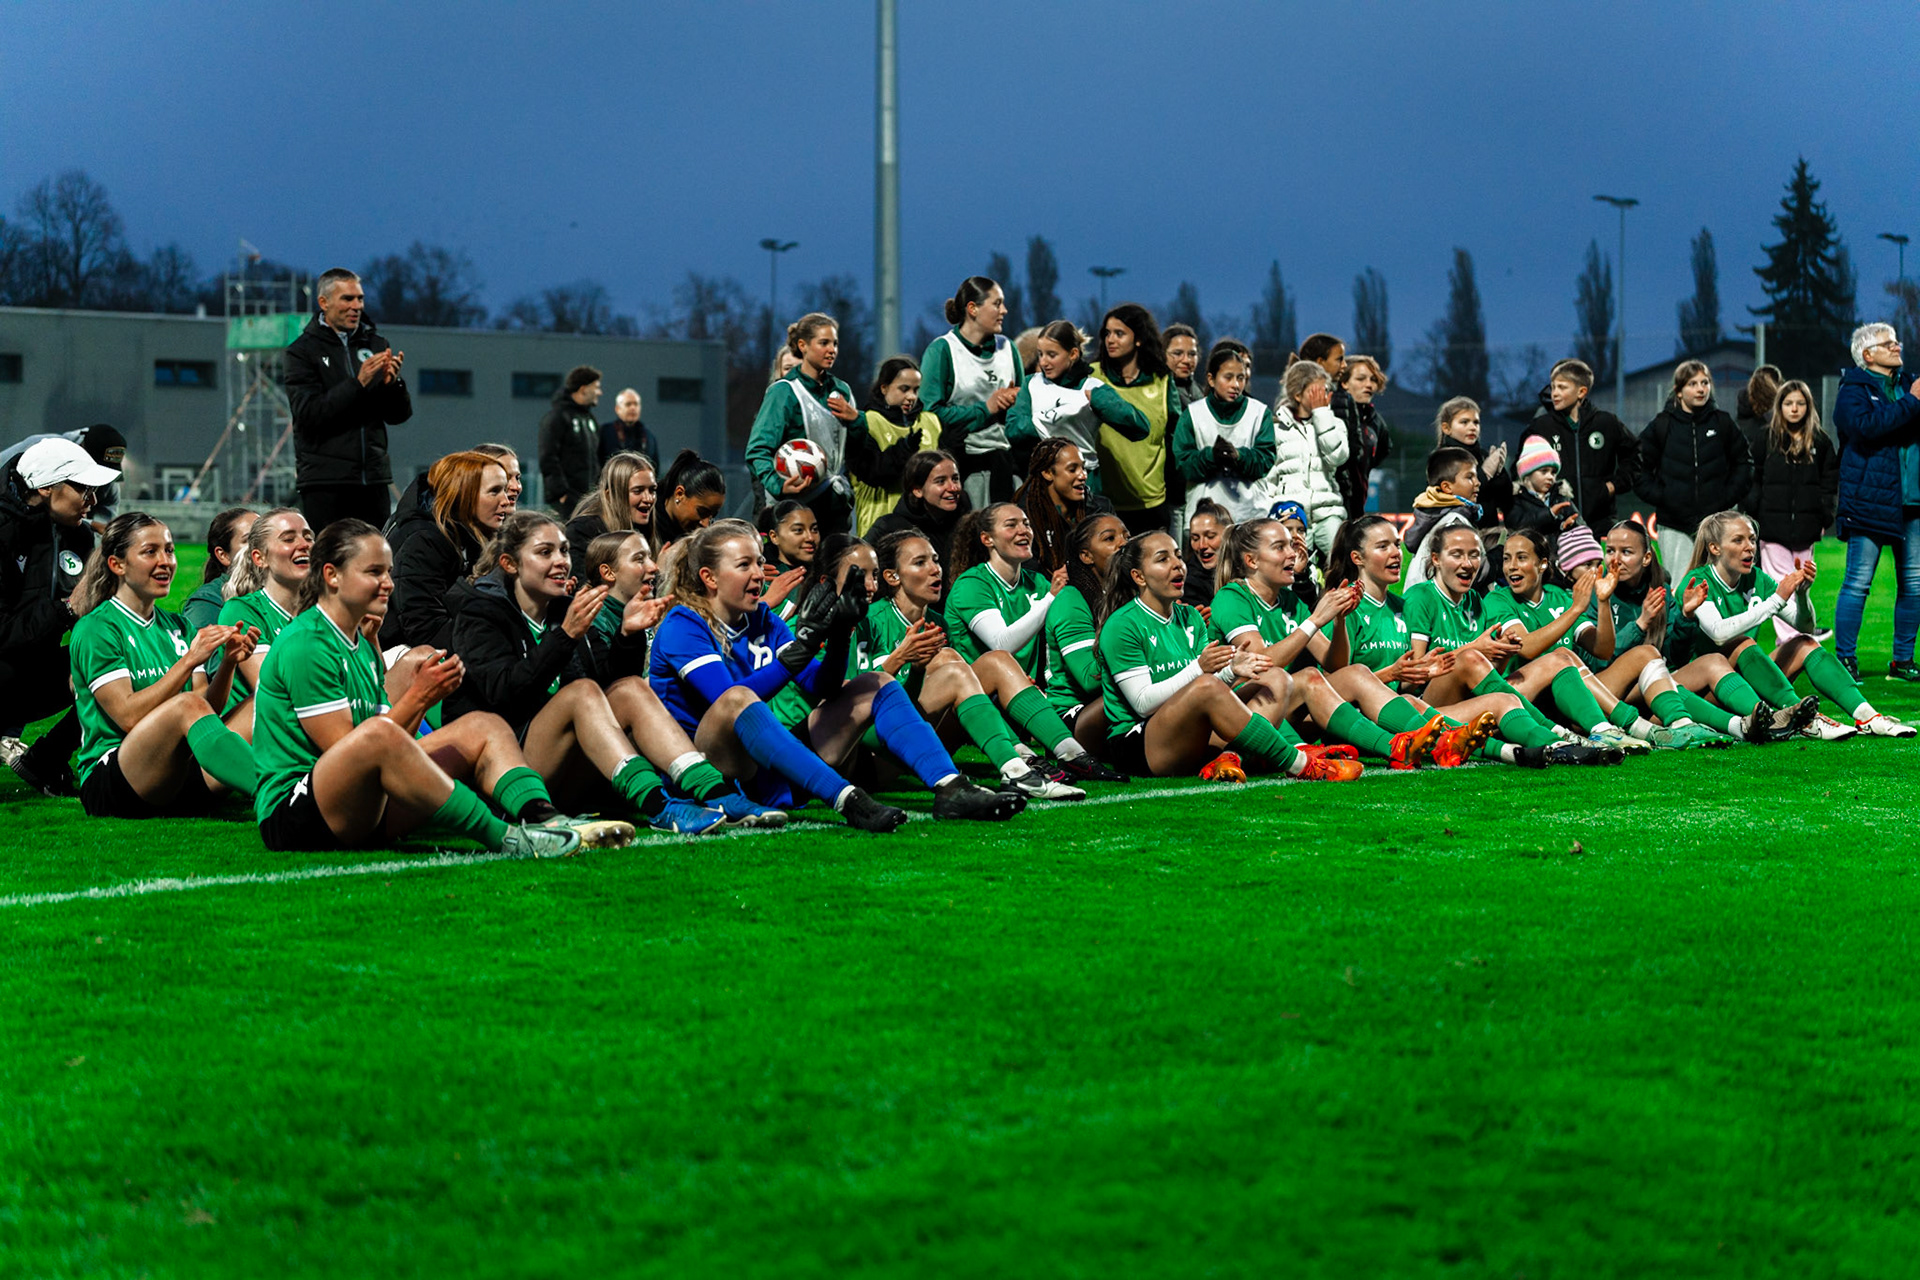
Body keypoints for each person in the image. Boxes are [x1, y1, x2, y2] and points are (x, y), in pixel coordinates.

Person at [649, 520, 1019, 828]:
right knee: (738, 698)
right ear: (709, 577)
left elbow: (820, 687)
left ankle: (951, 787)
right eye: (744, 565)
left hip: (767, 764)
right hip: (712, 768)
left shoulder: (763, 619)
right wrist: (795, 655)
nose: (759, 574)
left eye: (760, 563)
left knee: (877, 682)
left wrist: (838, 637)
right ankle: (847, 798)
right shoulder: (684, 622)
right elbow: (726, 698)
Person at [444, 512, 778, 834]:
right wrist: (565, 637)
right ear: (510, 564)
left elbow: (609, 695)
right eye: (545, 552)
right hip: (512, 772)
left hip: (570, 770)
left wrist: (627, 638)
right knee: (580, 693)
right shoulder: (481, 614)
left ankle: (716, 794)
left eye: (563, 550)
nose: (561, 560)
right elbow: (504, 695)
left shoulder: (566, 609)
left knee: (630, 686)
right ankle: (658, 805)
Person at [1327, 516, 1614, 768]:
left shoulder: (1419, 604)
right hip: (1406, 709)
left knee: (1542, 671)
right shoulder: (1413, 598)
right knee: (1477, 663)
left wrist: (1499, 653)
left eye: (1475, 554)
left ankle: (1573, 739)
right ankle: (1562, 734)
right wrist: (1474, 649)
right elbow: (1401, 678)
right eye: (1383, 546)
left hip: (1444, 702)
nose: (1396, 553)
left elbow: (1477, 671)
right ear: (1435, 559)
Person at [1095, 530, 1362, 783]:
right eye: (1163, 559)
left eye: (1178, 555)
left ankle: (1228, 758)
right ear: (1138, 577)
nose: (1177, 565)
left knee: (1275, 678)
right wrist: (1201, 669)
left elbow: (1206, 688)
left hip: (1191, 732)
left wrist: (1231, 670)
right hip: (1140, 744)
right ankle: (1302, 764)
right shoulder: (1123, 624)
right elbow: (1143, 703)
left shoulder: (1189, 617)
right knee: (1208, 684)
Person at [1209, 517, 1468, 769]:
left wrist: (1339, 622)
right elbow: (1260, 664)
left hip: (1284, 710)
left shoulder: (1290, 603)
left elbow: (1336, 665)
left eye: (1292, 545)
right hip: (1236, 718)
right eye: (1280, 547)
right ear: (1251, 560)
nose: (1293, 554)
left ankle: (1445, 741)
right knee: (1305, 676)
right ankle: (1402, 745)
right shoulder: (1232, 596)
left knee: (1355, 673)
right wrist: (1315, 620)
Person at [65, 512, 263, 818]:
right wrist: (188, 661)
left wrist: (227, 664)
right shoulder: (97, 628)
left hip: (176, 770)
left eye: (169, 550)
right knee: (185, 705)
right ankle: (281, 797)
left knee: (267, 700)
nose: (165, 561)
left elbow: (206, 708)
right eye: (150, 552)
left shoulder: (178, 626)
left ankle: (319, 784)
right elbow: (128, 716)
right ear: (117, 565)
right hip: (115, 780)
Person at [1484, 528, 1726, 750]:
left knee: (1647, 653)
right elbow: (1526, 648)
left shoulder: (1560, 597)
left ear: (1543, 564)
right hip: (1532, 704)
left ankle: (1682, 724)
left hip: (1579, 699)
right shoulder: (1499, 599)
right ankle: (1635, 728)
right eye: (1506, 559)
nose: (1511, 566)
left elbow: (1602, 649)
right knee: (1562, 658)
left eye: (1521, 558)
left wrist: (1602, 602)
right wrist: (1576, 610)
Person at [1675, 511, 1909, 738]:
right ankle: (1803, 717)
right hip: (1706, 691)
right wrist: (1776, 600)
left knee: (1805, 643)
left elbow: (1806, 626)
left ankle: (1868, 716)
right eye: (1738, 540)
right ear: (1714, 548)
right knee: (1742, 643)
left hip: (1746, 685)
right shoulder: (1698, 581)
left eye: (1752, 539)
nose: (1749, 547)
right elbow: (1719, 634)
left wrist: (1802, 596)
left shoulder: (1756, 578)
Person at [941, 502, 1125, 783]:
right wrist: (1050, 599)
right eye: (1011, 524)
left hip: (1018, 697)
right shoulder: (973, 584)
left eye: (1026, 523)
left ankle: (1071, 756)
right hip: (970, 701)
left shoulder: (1037, 582)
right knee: (998, 661)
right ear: (986, 539)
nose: (1023, 530)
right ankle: (1028, 759)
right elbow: (1002, 644)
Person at [0, 437, 119, 794]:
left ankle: (45, 760)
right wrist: (67, 609)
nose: (93, 501)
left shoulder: (80, 537)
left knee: (109, 664)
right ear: (47, 486)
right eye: (83, 488)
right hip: (4, 669)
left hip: (28, 670)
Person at [283, 267, 411, 529]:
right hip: (325, 482)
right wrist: (358, 383)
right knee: (331, 562)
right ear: (324, 303)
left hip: (373, 480)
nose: (356, 306)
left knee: (376, 563)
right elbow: (309, 415)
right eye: (347, 299)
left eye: (360, 299)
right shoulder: (301, 352)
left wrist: (392, 385)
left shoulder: (376, 344)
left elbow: (398, 416)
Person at [1832, 322, 1920, 681]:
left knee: (1914, 584)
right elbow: (1865, 427)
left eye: (1897, 341)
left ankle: (1902, 661)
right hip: (1869, 500)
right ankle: (1844, 660)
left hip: (1913, 501)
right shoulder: (1852, 390)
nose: (1897, 346)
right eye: (1888, 343)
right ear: (1868, 355)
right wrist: (1913, 403)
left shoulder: (1908, 384)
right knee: (1858, 582)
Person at [381, 451, 515, 650]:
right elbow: (425, 630)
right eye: (494, 491)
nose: (506, 501)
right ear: (463, 494)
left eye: (505, 490)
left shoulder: (461, 536)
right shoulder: (424, 541)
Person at [746, 313, 863, 534]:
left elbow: (854, 448)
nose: (832, 350)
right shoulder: (784, 392)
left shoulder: (842, 390)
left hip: (837, 507)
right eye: (824, 343)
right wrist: (778, 485)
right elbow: (757, 450)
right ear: (803, 345)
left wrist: (858, 420)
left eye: (835, 343)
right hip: (797, 507)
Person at [1008, 320, 1149, 497]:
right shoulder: (1032, 383)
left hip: (1084, 481)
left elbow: (1140, 428)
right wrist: (1055, 418)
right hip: (1043, 482)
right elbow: (1013, 429)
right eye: (1040, 354)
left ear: (1073, 354)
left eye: (1051, 355)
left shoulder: (1092, 388)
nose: (1043, 362)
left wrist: (1101, 402)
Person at [1638, 360, 1754, 570]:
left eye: (1705, 382)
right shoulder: (1662, 425)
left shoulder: (1722, 422)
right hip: (1675, 524)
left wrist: (1726, 499)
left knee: (1722, 585)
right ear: (1678, 391)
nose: (1701, 389)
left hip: (1718, 524)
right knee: (1682, 587)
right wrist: (1664, 498)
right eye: (1692, 384)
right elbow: (1638, 468)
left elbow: (1744, 463)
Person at [1746, 380, 1838, 644]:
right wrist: (1755, 512)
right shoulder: (1766, 438)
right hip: (1772, 528)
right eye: (1788, 403)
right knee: (1780, 585)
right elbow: (1753, 476)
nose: (1794, 409)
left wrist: (1824, 515)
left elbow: (1829, 481)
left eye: (1800, 403)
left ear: (1808, 407)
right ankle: (1791, 640)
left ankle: (1793, 639)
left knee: (1801, 583)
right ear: (1779, 406)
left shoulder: (1820, 440)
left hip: (1807, 530)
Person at [922, 276, 1023, 507]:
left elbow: (1024, 408)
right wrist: (986, 408)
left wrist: (1018, 401)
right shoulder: (943, 350)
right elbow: (930, 415)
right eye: (997, 304)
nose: (1004, 310)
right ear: (973, 309)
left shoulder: (1008, 348)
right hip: (966, 470)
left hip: (1008, 469)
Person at [212, 507, 313, 716]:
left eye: (308, 537)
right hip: (257, 733)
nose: (304, 545)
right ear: (260, 558)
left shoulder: (322, 612)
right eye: (288, 539)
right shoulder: (242, 610)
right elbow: (275, 692)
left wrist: (370, 636)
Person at [1088, 304, 1179, 533]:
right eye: (1107, 333)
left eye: (1119, 333)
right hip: (1103, 501)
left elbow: (1173, 436)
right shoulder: (1092, 375)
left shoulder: (1162, 379)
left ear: (1138, 339)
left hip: (1151, 500)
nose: (1111, 340)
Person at [1170, 338, 1278, 524]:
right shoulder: (1193, 414)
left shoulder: (1259, 413)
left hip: (1250, 515)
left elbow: (1266, 459)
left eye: (1241, 378)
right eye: (1228, 377)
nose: (1235, 385)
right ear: (1211, 379)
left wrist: (1239, 456)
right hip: (1204, 519)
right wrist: (1211, 457)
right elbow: (1183, 464)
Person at [1043, 513, 1128, 746]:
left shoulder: (1127, 596)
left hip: (1110, 703)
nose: (1123, 543)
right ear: (1086, 556)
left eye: (1126, 536)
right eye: (1110, 539)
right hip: (1072, 718)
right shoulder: (1071, 601)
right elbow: (1090, 679)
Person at [1522, 358, 1634, 532]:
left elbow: (1635, 456)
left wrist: (1612, 486)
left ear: (1581, 392)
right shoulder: (1541, 427)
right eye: (1553, 387)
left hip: (1601, 523)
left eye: (1562, 387)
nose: (1555, 393)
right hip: (1556, 525)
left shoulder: (1606, 423)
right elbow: (1521, 469)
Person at [1261, 358, 1350, 559]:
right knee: (1291, 565)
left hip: (1327, 511)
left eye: (1325, 390)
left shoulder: (1334, 423)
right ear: (1298, 395)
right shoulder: (1276, 428)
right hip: (1291, 514)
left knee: (1342, 561)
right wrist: (1272, 507)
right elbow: (1269, 477)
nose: (1323, 396)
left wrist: (1321, 415)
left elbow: (1337, 457)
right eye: (1316, 391)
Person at [849, 357, 941, 536]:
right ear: (884, 388)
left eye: (916, 390)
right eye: (904, 389)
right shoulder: (868, 422)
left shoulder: (931, 423)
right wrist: (905, 450)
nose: (911, 397)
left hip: (924, 523)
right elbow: (875, 473)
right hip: (878, 522)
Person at [867, 451, 970, 608]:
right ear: (917, 490)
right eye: (940, 481)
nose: (953, 488)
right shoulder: (890, 527)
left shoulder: (967, 525)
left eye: (955, 479)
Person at [0, 424, 128, 532]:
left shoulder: (109, 485)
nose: (92, 500)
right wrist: (91, 524)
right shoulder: (42, 447)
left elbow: (104, 525)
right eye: (82, 488)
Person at [1012, 439, 1110, 577]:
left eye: (1083, 467)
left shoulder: (1100, 509)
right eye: (1072, 469)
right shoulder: (1025, 518)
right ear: (1047, 473)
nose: (1083, 475)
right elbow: (1027, 574)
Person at [565, 451, 656, 585]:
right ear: (610, 495)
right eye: (638, 491)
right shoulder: (581, 532)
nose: (649, 499)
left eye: (652, 490)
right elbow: (582, 590)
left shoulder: (643, 529)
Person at [1432, 396, 1512, 528]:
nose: (1472, 427)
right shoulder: (1441, 459)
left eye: (1476, 422)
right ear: (1446, 428)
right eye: (1464, 422)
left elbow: (1505, 499)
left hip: (1490, 532)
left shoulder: (1483, 455)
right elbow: (1457, 495)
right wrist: (1485, 474)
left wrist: (1500, 474)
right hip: (1459, 531)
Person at [1331, 354, 1392, 518]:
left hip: (1359, 505)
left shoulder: (1375, 421)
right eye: (1361, 379)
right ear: (1344, 383)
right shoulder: (1329, 413)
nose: (1369, 385)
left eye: (1372, 379)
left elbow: (1383, 450)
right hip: (1333, 504)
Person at [539, 365, 603, 519]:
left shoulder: (589, 420)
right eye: (596, 387)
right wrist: (561, 493)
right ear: (583, 389)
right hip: (568, 502)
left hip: (589, 500)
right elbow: (548, 457)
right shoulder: (557, 418)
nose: (600, 392)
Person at [1404, 448, 1483, 574]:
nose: (1477, 483)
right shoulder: (1454, 522)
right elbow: (1471, 572)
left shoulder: (1436, 516)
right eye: (1469, 477)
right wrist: (1496, 558)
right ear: (1446, 487)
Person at [182, 508, 259, 630]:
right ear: (223, 555)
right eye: (249, 540)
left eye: (266, 537)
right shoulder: (205, 604)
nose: (263, 544)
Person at [652, 449, 728, 552]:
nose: (706, 525)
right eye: (702, 512)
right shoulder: (645, 525)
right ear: (679, 494)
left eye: (712, 517)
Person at [1181, 499, 1229, 609]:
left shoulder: (1248, 570)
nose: (1202, 545)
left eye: (1210, 536)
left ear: (1228, 534)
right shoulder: (1189, 584)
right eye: (1195, 538)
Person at [600, 387, 659, 468]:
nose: (633, 408)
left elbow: (655, 467)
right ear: (617, 409)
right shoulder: (605, 432)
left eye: (636, 404)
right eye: (628, 404)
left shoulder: (649, 436)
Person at [1164, 324, 1205, 414]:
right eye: (1178, 353)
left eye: (1192, 354)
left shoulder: (1199, 390)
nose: (1186, 360)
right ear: (1163, 354)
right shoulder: (1158, 391)